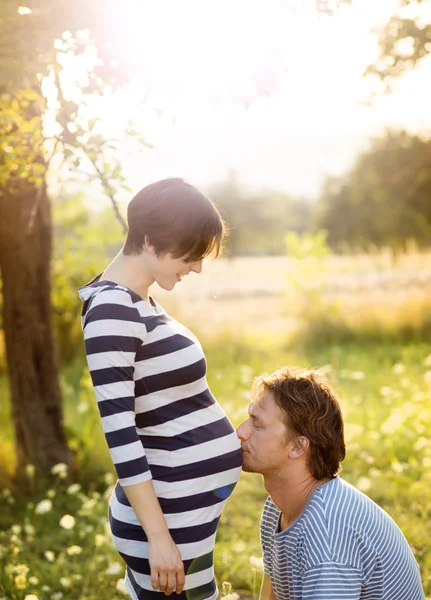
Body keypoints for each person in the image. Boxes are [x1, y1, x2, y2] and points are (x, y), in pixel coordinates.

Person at [78, 178, 242, 600]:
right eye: (191, 253)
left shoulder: (137, 301)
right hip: (166, 520)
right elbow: (121, 435)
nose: (198, 267)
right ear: (150, 241)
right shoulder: (112, 310)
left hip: (184, 509)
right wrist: (159, 538)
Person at [236, 367, 426, 600]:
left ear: (298, 446)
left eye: (257, 424)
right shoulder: (275, 509)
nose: (240, 432)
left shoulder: (326, 533)